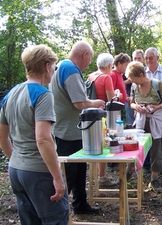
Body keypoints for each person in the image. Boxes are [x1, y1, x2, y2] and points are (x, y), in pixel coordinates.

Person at [0, 45, 69, 224]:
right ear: (46, 66)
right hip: (39, 172)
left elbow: (1, 136)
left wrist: (17, 159)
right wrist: (57, 177)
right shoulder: (43, 94)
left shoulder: (11, 94)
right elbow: (43, 139)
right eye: (54, 68)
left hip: (16, 170)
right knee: (55, 218)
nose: (53, 72)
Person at [49, 41, 105, 215]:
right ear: (85, 55)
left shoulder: (60, 67)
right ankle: (61, 211)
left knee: (80, 169)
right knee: (69, 174)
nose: (89, 63)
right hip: (68, 132)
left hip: (69, 129)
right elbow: (80, 102)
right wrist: (97, 103)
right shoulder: (70, 70)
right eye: (89, 59)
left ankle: (80, 205)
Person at [125, 61, 162, 192]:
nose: (132, 82)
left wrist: (157, 107)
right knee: (136, 145)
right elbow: (131, 103)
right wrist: (137, 106)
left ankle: (154, 178)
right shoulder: (135, 87)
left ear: (141, 74)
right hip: (141, 119)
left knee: (156, 148)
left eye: (134, 79)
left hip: (156, 119)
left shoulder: (156, 84)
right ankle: (129, 170)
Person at [88, 52, 120, 188]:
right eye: (112, 65)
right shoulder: (106, 78)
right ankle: (102, 177)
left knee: (94, 145)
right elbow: (111, 100)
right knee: (102, 144)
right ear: (108, 65)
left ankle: (94, 177)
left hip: (90, 115)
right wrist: (118, 94)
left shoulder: (91, 76)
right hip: (102, 116)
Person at [122, 50, 144, 127]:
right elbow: (120, 85)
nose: (137, 60)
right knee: (131, 124)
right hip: (130, 101)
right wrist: (126, 96)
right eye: (135, 58)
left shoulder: (145, 71)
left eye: (139, 58)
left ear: (143, 59)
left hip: (143, 102)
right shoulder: (127, 71)